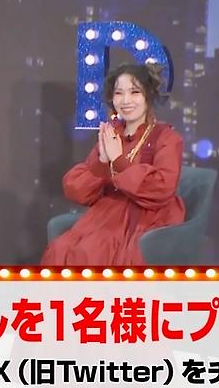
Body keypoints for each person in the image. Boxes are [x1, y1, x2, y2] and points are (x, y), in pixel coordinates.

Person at [42, 63, 185, 266]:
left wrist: (118, 162)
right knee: (61, 248)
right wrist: (101, 163)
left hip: (146, 215)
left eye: (135, 92)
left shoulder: (167, 138)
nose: (126, 100)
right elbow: (78, 191)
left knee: (93, 253)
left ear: (148, 96)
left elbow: (162, 188)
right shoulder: (111, 133)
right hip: (107, 214)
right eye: (119, 93)